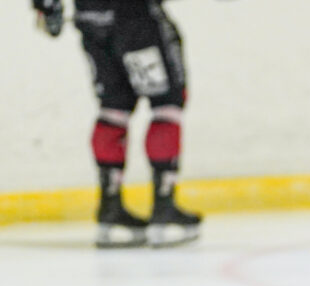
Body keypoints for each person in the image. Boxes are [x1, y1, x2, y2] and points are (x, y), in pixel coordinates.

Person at [32, 0, 201, 248]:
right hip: (135, 16)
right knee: (166, 101)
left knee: (114, 107)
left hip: (90, 17)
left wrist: (46, 6)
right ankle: (164, 212)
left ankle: (110, 212)